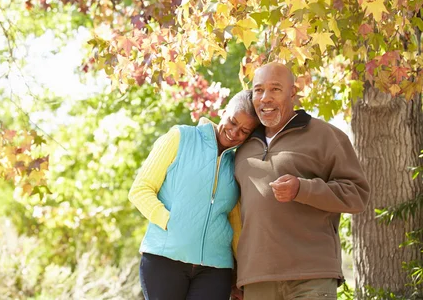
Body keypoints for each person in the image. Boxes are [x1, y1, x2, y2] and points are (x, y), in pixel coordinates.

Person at [233, 62, 370, 300]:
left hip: (311, 274)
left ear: (292, 93)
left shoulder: (325, 135)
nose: (265, 98)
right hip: (256, 277)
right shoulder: (241, 146)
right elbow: (232, 215)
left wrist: (303, 189)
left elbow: (357, 195)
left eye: (275, 89)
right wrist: (236, 275)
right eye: (258, 90)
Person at [128, 89, 260, 300]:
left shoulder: (236, 163)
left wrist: (240, 270)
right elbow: (141, 189)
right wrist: (170, 222)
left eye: (244, 131)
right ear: (224, 111)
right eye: (233, 122)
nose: (235, 133)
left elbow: (234, 220)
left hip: (216, 267)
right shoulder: (180, 137)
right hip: (165, 258)